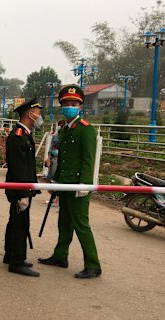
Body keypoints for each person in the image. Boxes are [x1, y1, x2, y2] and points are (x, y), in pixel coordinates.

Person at [38, 85, 102, 279]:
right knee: (64, 222)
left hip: (78, 186)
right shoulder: (64, 130)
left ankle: (93, 264)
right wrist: (56, 181)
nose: (69, 107)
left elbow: (88, 160)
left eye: (73, 104)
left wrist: (84, 185)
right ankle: (60, 256)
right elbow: (62, 158)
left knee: (81, 224)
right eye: (66, 104)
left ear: (80, 107)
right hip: (64, 183)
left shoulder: (86, 130)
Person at [3, 98, 43, 277]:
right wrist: (23, 194)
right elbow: (19, 168)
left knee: (15, 221)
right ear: (30, 114)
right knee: (20, 224)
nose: (40, 117)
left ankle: (10, 254)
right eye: (39, 113)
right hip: (20, 189)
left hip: (22, 188)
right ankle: (17, 261)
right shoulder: (18, 136)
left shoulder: (24, 134)